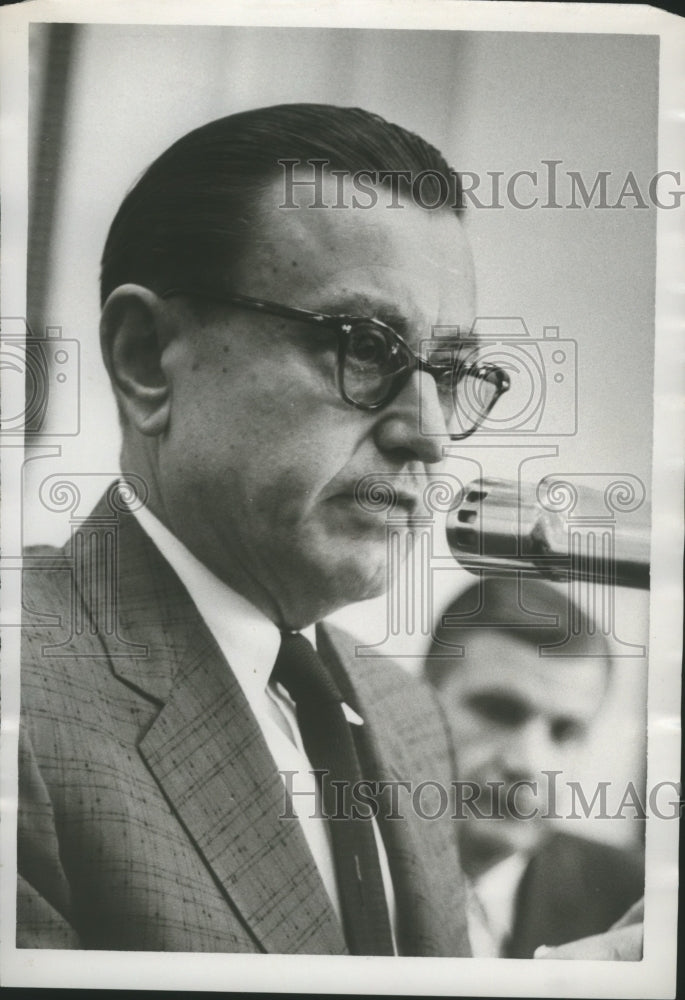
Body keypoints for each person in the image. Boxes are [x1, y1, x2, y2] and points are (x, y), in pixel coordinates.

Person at [18, 103, 506, 955]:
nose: (427, 433)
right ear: (144, 359)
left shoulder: (408, 715)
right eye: (364, 345)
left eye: (452, 370)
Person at [424, 576, 645, 959]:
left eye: (564, 731)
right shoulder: (332, 859)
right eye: (498, 710)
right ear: (418, 700)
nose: (528, 763)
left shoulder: (635, 897)